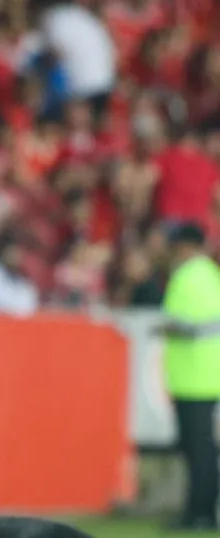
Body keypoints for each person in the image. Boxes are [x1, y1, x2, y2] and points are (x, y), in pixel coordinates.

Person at [154, 222, 220, 531]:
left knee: (199, 452)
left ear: (184, 245)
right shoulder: (209, 274)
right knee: (202, 450)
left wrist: (167, 328)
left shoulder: (190, 276)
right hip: (204, 374)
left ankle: (200, 514)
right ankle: (199, 512)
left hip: (196, 377)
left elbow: (193, 325)